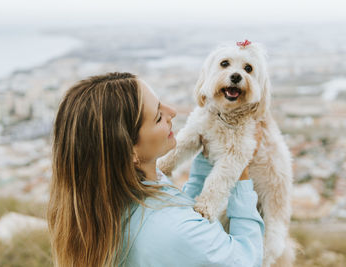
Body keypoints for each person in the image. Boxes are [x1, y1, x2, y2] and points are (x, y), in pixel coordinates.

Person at [47, 72, 264, 267]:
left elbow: (183, 209)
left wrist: (207, 155)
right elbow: (246, 258)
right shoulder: (177, 231)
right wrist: (240, 170)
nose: (172, 112)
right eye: (158, 116)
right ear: (129, 151)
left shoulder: (107, 201)